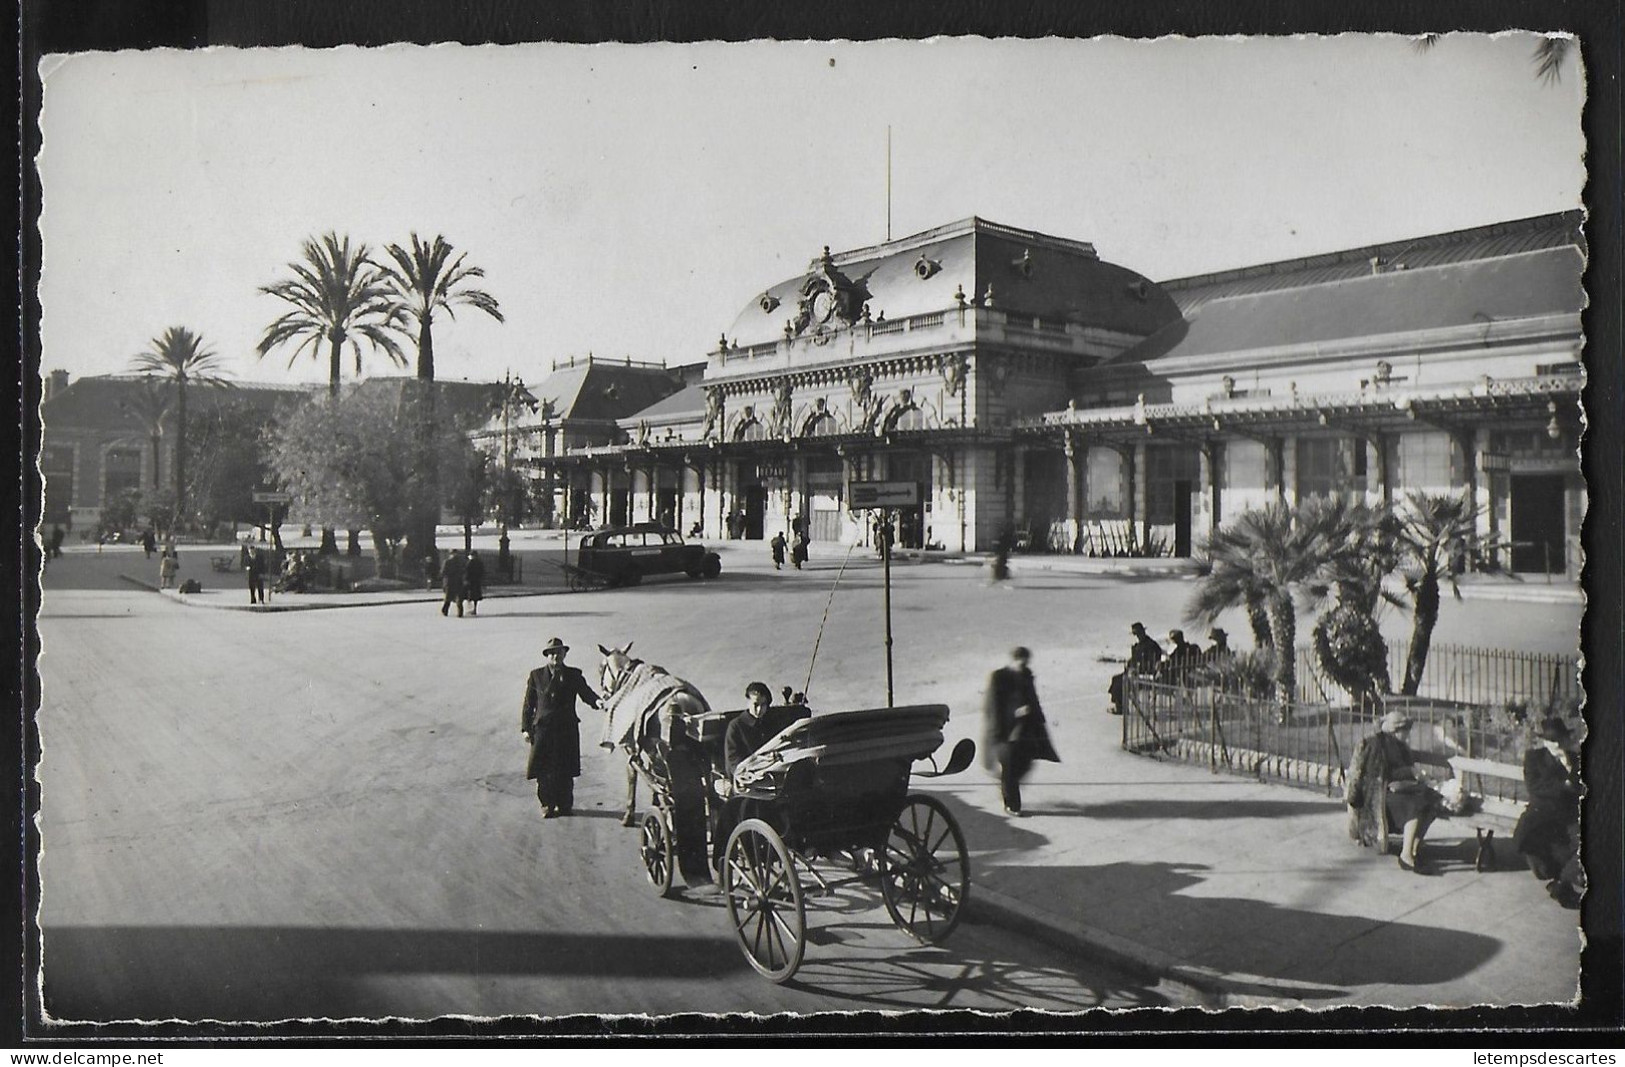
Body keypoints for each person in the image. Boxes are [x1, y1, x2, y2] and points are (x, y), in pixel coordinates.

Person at [1346, 710, 1442, 874]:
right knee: (1416, 805)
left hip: (1397, 790)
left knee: (1432, 799)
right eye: (1405, 731)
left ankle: (1413, 848)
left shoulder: (1399, 746)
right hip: (1379, 796)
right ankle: (1406, 856)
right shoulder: (1376, 744)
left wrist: (1415, 776)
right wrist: (1411, 774)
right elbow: (1381, 775)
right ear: (1395, 730)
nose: (1407, 735)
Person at [520, 637, 602, 819]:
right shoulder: (536, 675)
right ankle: (547, 804)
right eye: (551, 653)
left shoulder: (574, 675)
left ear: (565, 654)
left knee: (565, 768)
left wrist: (597, 701)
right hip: (543, 729)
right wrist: (526, 728)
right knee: (543, 769)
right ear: (547, 656)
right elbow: (528, 704)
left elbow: (586, 693)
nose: (555, 656)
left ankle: (565, 804)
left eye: (559, 652)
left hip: (566, 728)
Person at [1514, 717, 1584, 908]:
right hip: (1542, 817)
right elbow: (1535, 788)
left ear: (1565, 738)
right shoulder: (1534, 758)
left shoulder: (1576, 758)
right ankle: (1561, 879)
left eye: (1559, 739)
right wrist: (1564, 786)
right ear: (1544, 741)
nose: (1555, 745)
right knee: (1543, 868)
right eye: (1550, 741)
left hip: (1568, 816)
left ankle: (1562, 885)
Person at [982, 647, 1060, 816]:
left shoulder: (1026, 675)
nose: (1022, 666)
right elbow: (993, 706)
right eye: (1020, 662)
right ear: (1012, 660)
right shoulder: (999, 677)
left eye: (1025, 663)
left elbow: (1033, 698)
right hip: (1005, 730)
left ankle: (1006, 783)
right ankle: (1012, 804)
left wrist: (1039, 719)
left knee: (1025, 764)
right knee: (1010, 766)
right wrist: (1014, 714)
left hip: (1026, 729)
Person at [1108, 622, 1164, 714]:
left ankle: (1121, 708)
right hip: (1135, 671)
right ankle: (1120, 705)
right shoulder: (1140, 645)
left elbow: (1152, 661)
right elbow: (1135, 658)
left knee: (1120, 682)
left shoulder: (1150, 645)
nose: (1138, 636)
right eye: (1136, 635)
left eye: (1138, 634)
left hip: (1144, 674)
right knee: (1116, 679)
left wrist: (1138, 668)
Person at [440, 548, 467, 617]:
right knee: (459, 598)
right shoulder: (461, 562)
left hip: (450, 581)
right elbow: (464, 571)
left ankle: (445, 610)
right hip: (458, 581)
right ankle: (460, 612)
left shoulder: (447, 562)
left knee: (448, 597)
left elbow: (443, 572)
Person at [464, 549, 485, 616]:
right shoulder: (480, 562)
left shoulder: (470, 562)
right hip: (477, 581)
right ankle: (474, 609)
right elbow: (482, 571)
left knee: (469, 596)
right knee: (475, 597)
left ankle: (470, 609)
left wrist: (465, 580)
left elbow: (466, 572)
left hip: (471, 581)